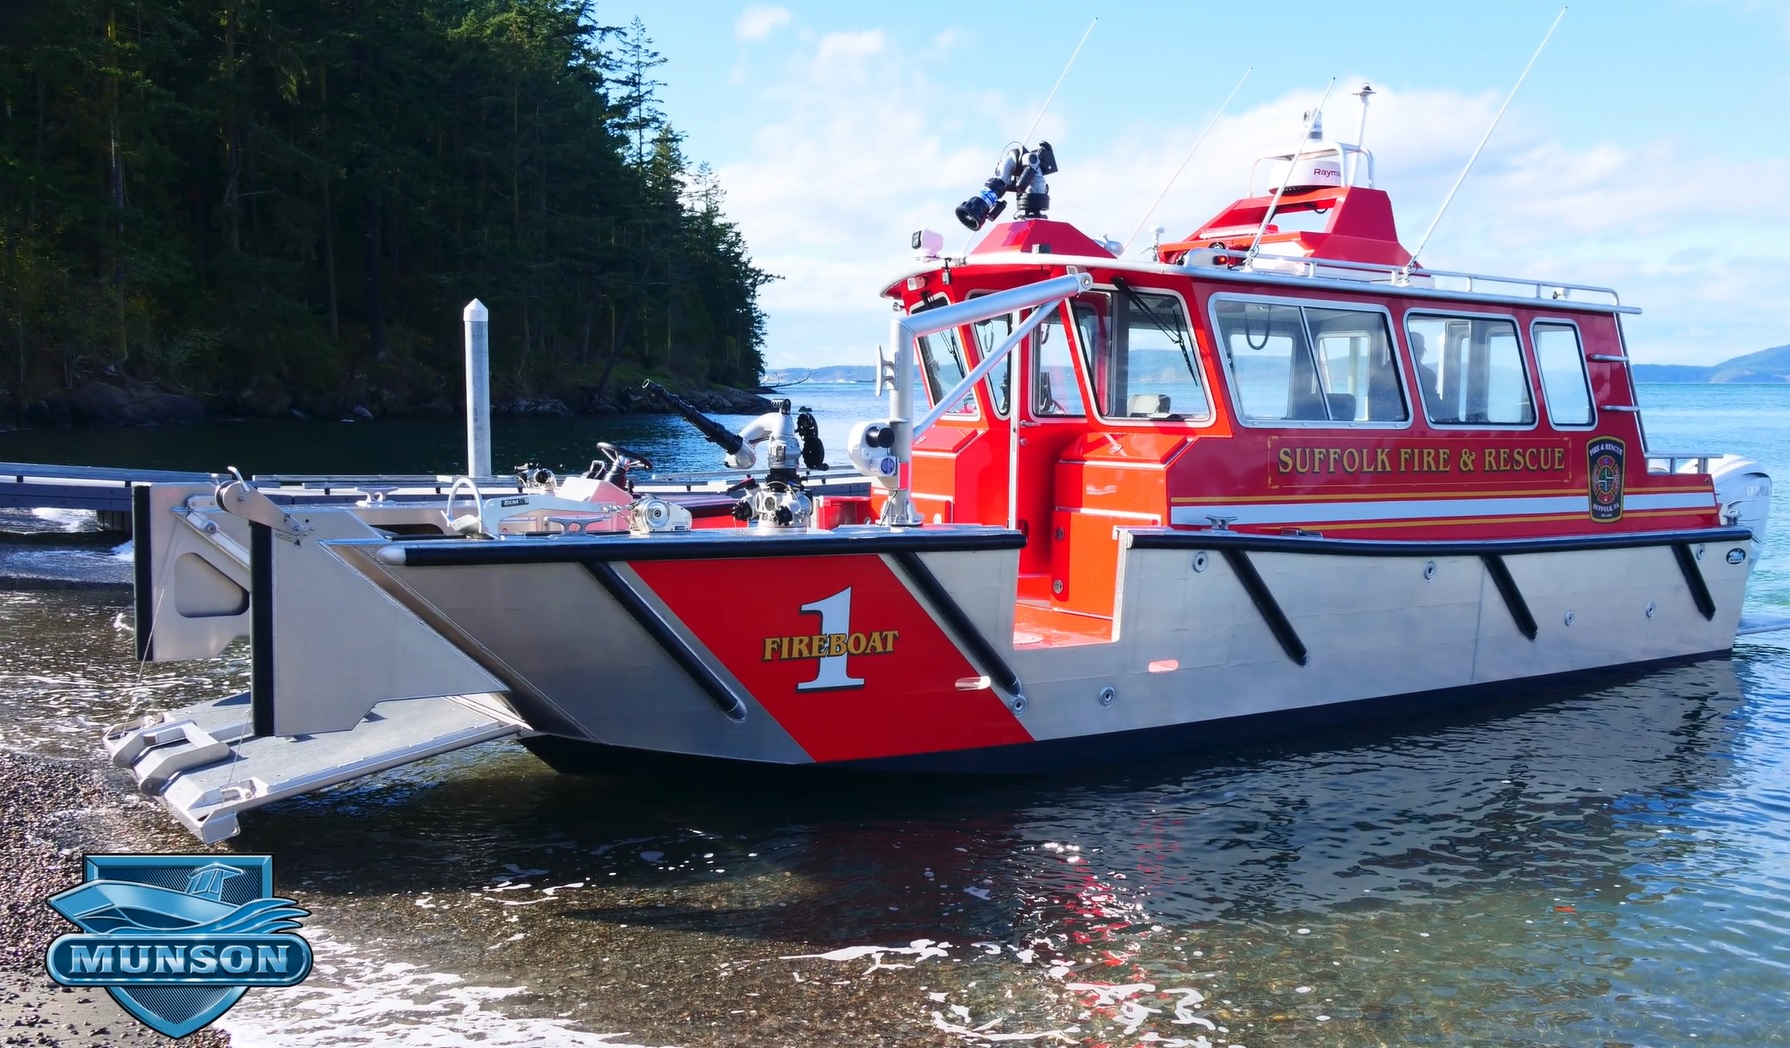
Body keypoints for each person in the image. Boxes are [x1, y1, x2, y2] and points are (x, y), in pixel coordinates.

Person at [1411, 331, 1444, 417]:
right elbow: (1434, 406)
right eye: (1418, 351)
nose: (1419, 354)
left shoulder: (1380, 375)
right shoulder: (1429, 376)